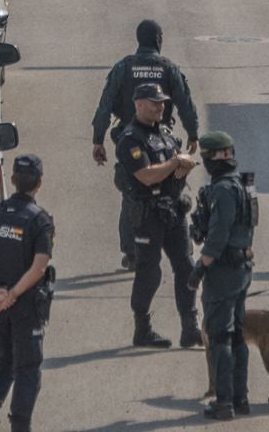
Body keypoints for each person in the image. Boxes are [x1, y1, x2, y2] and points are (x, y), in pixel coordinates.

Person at [92, 20, 201, 270]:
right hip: (161, 139)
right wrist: (193, 133)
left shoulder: (124, 67)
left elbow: (105, 105)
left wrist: (98, 139)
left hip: (129, 139)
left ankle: (132, 253)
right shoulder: (168, 68)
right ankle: (180, 245)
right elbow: (185, 103)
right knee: (173, 189)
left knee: (132, 193)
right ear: (158, 40)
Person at [0, 153, 55, 432]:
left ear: (13, 180)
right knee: (28, 369)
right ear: (38, 184)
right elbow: (39, 268)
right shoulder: (40, 220)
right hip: (25, 306)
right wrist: (13, 294)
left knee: (3, 362)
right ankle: (20, 426)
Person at [118, 82, 203, 348]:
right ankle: (142, 328)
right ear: (138, 103)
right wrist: (176, 163)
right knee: (149, 272)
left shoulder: (165, 132)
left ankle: (190, 328)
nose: (160, 106)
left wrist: (183, 162)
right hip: (148, 213)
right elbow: (146, 175)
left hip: (174, 209)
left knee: (186, 267)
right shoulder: (131, 138)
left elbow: (181, 159)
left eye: (162, 102)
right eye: (154, 102)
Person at [190, 131, 256, 421]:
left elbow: (218, 235)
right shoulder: (242, 185)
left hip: (224, 270)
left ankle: (224, 402)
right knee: (236, 334)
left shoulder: (224, 190)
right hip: (241, 267)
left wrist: (200, 267)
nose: (206, 161)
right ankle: (240, 398)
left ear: (219, 155)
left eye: (208, 155)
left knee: (219, 336)